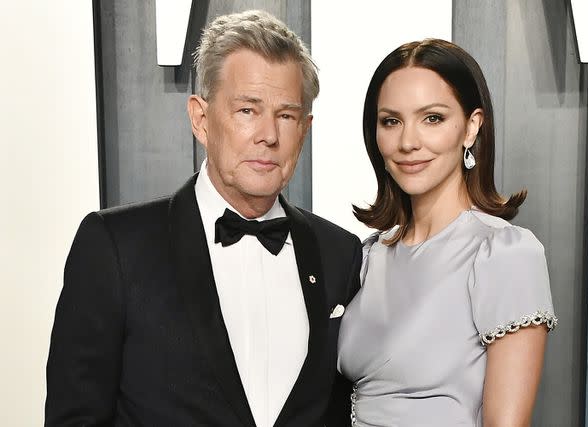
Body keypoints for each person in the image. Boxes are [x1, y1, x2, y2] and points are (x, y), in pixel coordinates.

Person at [45, 10, 361, 427]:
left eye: (286, 115)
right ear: (200, 118)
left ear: (304, 128)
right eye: (248, 110)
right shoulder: (114, 246)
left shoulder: (340, 253)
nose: (269, 134)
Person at [337, 39, 557, 426]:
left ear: (471, 127)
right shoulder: (370, 256)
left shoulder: (504, 252)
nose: (408, 142)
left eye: (432, 118)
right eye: (391, 121)